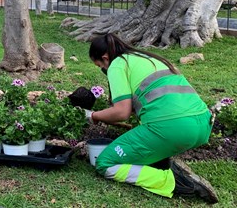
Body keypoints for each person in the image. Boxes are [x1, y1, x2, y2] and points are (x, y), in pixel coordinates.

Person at [85, 33, 218, 204]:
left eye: (100, 65)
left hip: (173, 129)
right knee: (144, 140)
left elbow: (121, 112)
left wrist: (93, 116)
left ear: (105, 57)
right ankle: (160, 161)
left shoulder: (118, 64)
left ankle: (172, 181)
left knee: (105, 163)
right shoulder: (145, 57)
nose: (103, 70)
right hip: (202, 124)